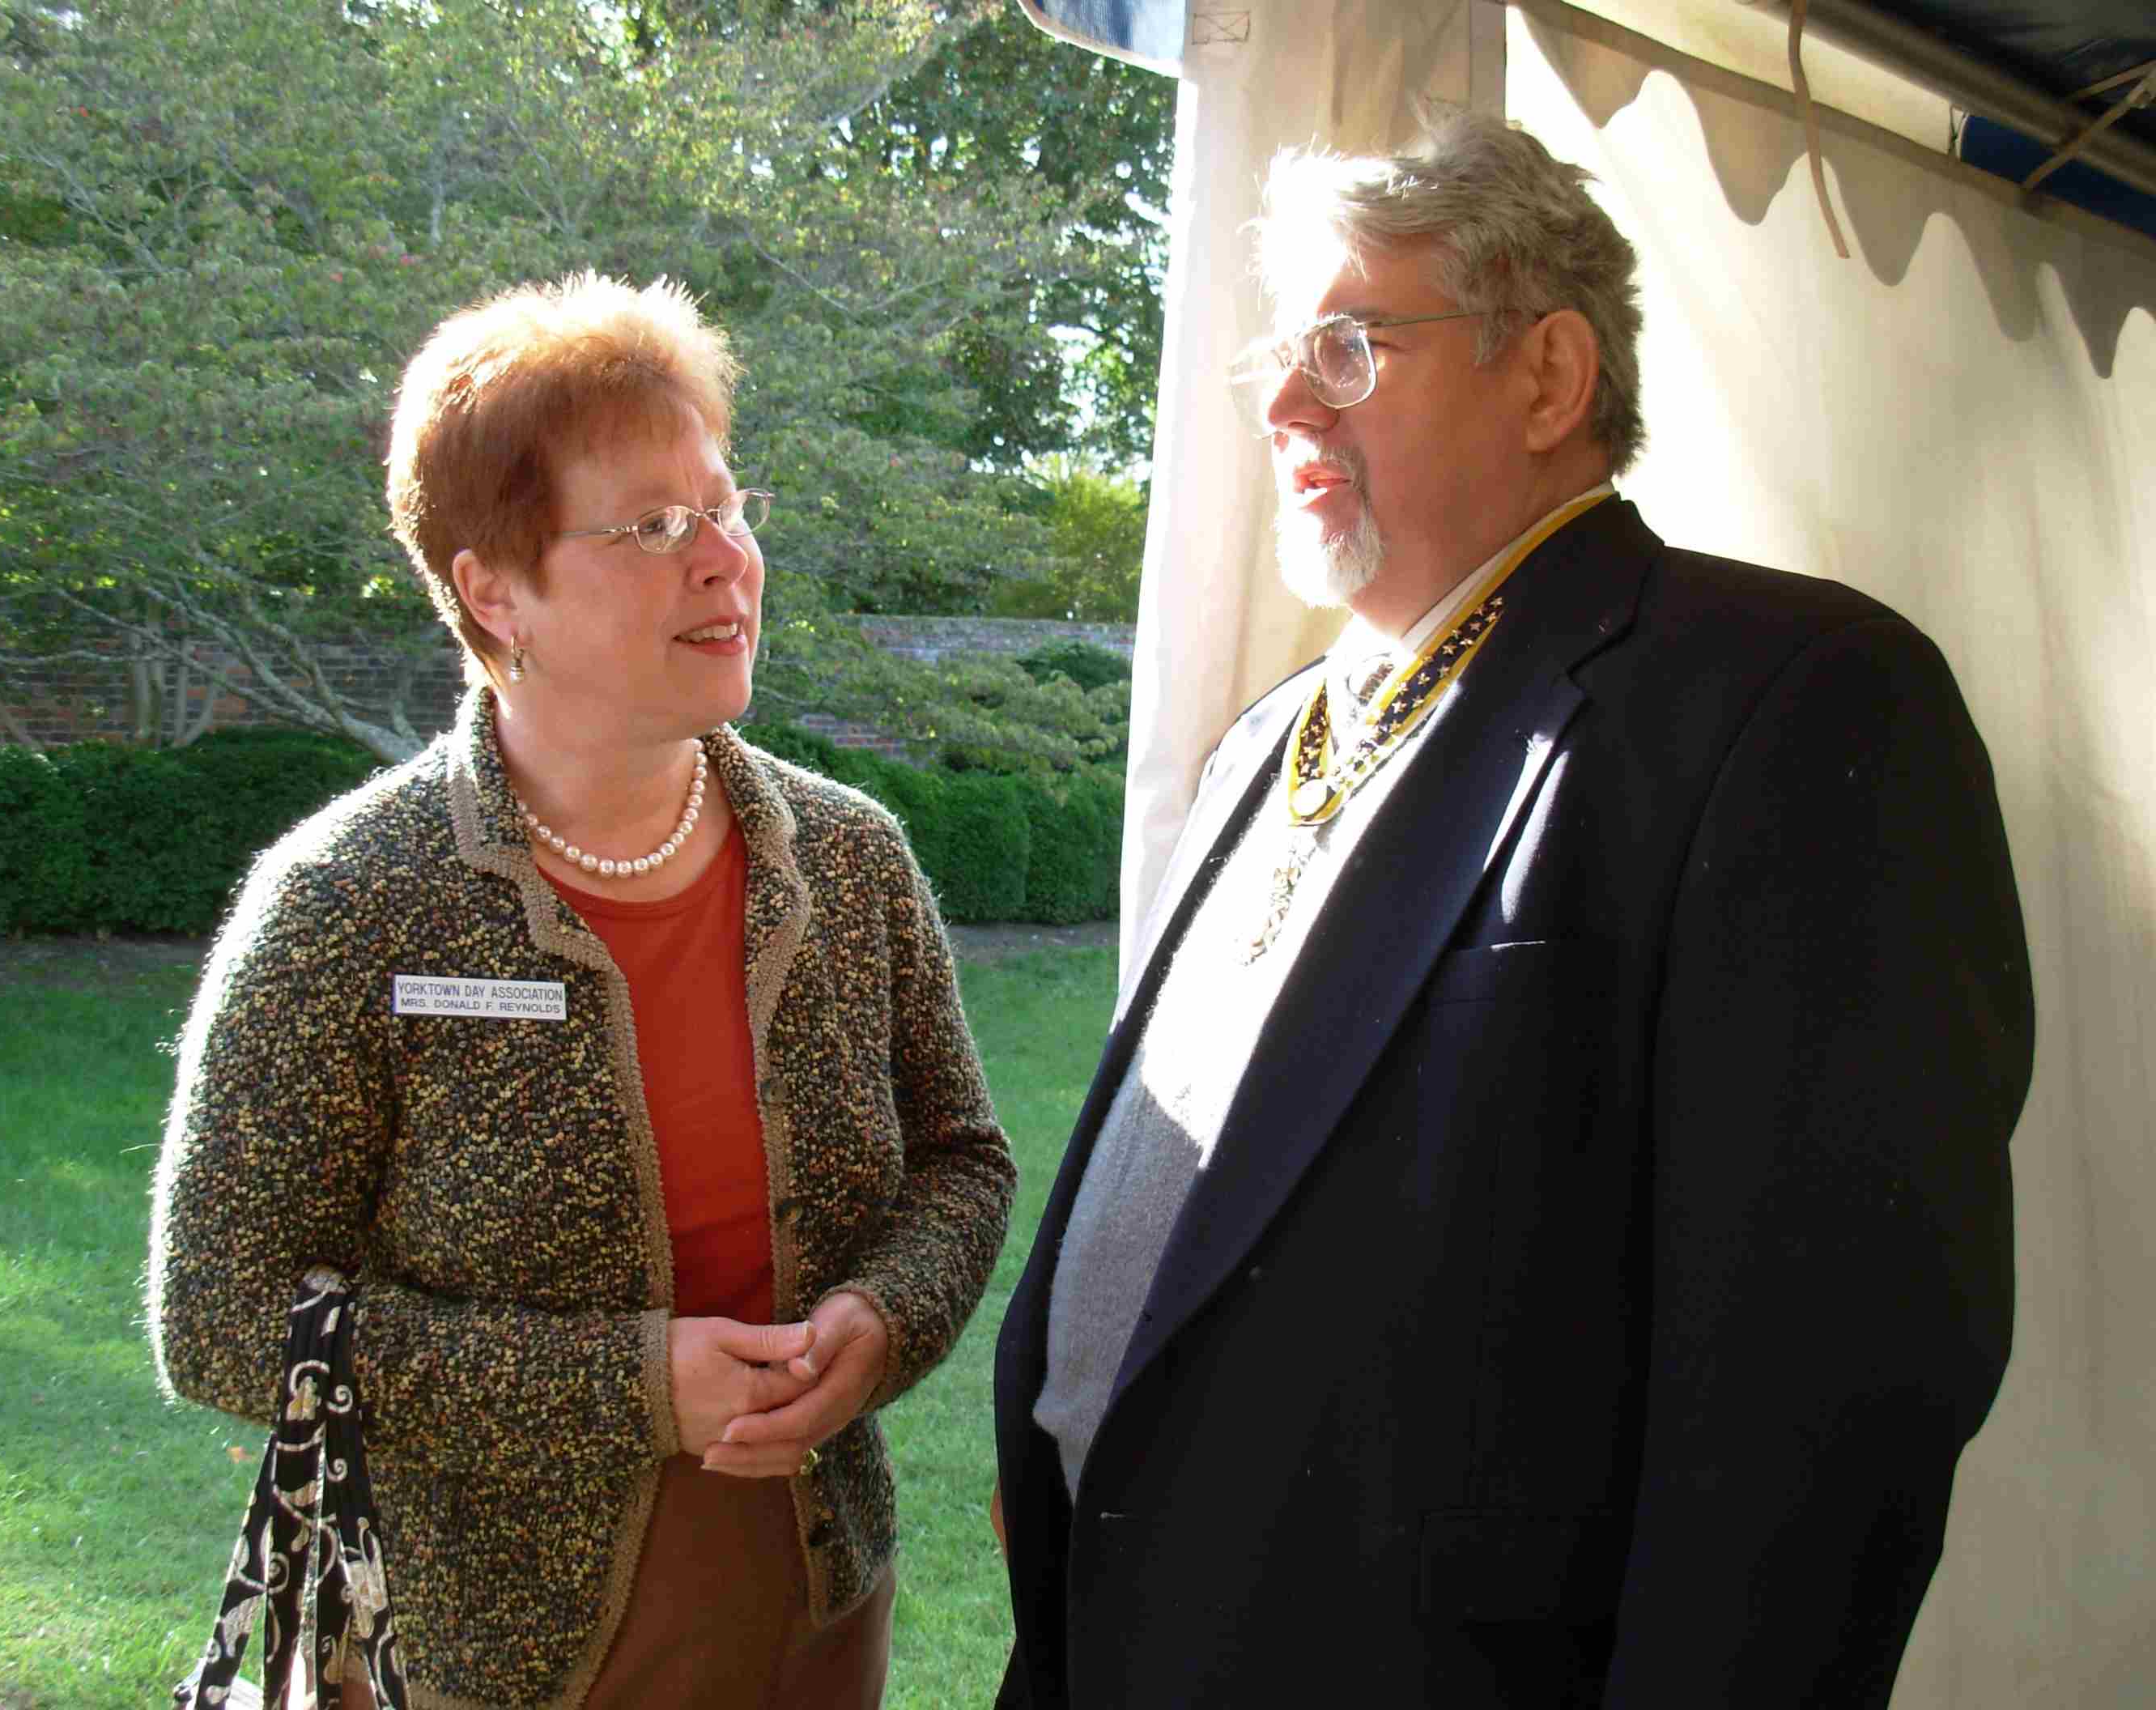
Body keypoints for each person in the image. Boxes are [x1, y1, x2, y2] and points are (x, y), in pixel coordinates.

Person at [991, 111, 2032, 1708]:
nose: (1281, 397)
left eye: (1346, 346)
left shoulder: (1787, 703)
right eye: (1282, 347)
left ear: (1547, 379)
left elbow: (1819, 1409)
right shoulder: (1275, 734)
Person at [149, 270, 1015, 1709]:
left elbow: (962, 1164)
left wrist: (882, 1321)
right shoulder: (346, 900)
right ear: (495, 590)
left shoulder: (849, 862)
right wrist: (624, 1390)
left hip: (809, 1618)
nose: (724, 559)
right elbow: (220, 1315)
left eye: (726, 508)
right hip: (476, 1657)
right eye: (655, 526)